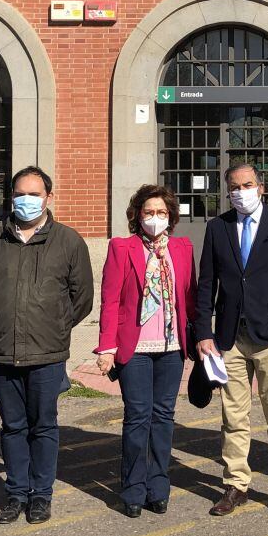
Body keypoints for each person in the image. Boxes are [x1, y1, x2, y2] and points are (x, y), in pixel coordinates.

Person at [0, 165, 94, 525]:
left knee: (44, 427)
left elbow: (81, 298)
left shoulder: (68, 242)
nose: (27, 200)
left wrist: (54, 327)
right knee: (12, 427)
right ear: (11, 196)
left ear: (48, 198)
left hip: (46, 355)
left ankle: (41, 495)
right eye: (20, 193)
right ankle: (16, 493)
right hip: (3, 351)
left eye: (34, 194)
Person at [195, 162, 268, 519]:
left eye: (247, 184)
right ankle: (236, 484)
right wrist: (204, 333)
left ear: (261, 188)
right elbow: (205, 285)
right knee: (234, 415)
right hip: (229, 337)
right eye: (234, 186)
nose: (240, 191)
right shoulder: (218, 228)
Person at [94, 184, 197, 518]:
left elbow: (191, 297)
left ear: (171, 217)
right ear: (138, 215)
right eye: (149, 212)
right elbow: (110, 300)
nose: (155, 218)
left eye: (162, 213)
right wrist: (106, 347)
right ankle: (134, 488)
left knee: (164, 417)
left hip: (172, 347)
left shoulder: (182, 248)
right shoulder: (121, 248)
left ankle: (159, 486)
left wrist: (199, 341)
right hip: (134, 348)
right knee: (138, 417)